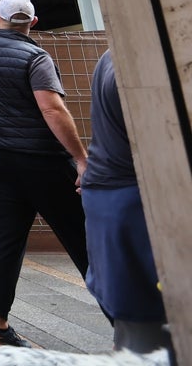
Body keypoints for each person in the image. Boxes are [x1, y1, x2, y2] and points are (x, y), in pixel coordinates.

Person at [0, 0, 89, 348]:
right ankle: (128, 323)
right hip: (43, 160)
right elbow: (52, 110)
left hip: (2, 158)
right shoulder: (36, 56)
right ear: (33, 22)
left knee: (6, 239)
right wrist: (81, 159)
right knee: (83, 238)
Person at [82, 50, 170, 355]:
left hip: (113, 203)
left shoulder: (115, 54)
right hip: (133, 208)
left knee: (137, 336)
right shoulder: (144, 63)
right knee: (145, 337)